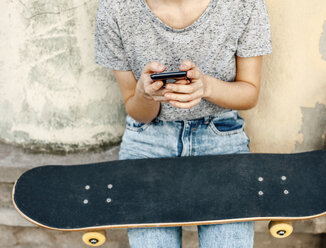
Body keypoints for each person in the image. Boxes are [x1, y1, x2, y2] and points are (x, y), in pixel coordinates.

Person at [94, 0, 272, 247]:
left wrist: (206, 87)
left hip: (220, 137)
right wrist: (145, 96)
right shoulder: (115, 8)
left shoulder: (244, 4)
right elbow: (137, 111)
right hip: (148, 140)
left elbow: (249, 93)